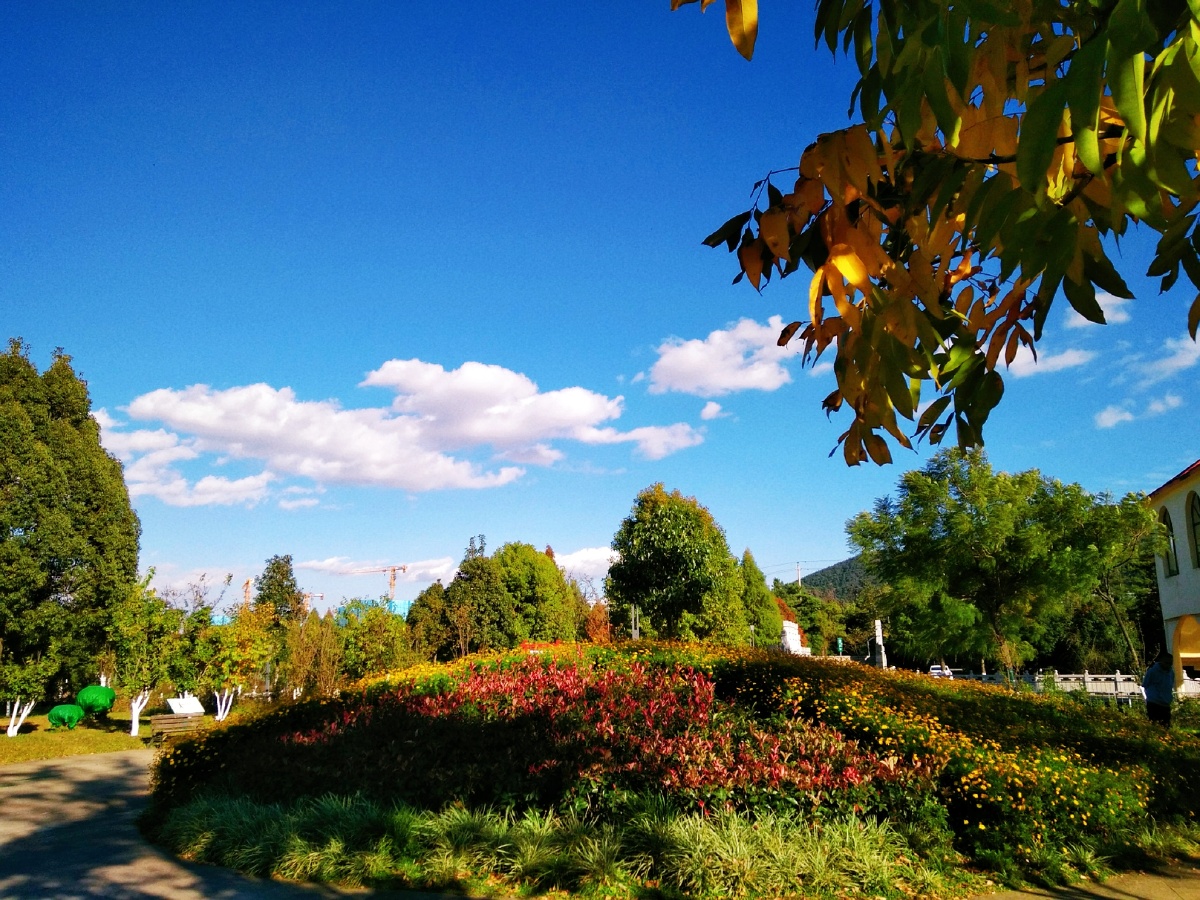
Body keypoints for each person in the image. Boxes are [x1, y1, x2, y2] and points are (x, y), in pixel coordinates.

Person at [1143, 651, 1176, 727]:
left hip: (1165, 703)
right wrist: (1153, 694)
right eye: (1166, 663)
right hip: (1154, 702)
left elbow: (1170, 685)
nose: (1168, 665)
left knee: (1166, 726)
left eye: (1170, 663)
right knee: (1154, 725)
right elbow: (1145, 684)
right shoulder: (1152, 671)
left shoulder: (1171, 672)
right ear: (1161, 661)